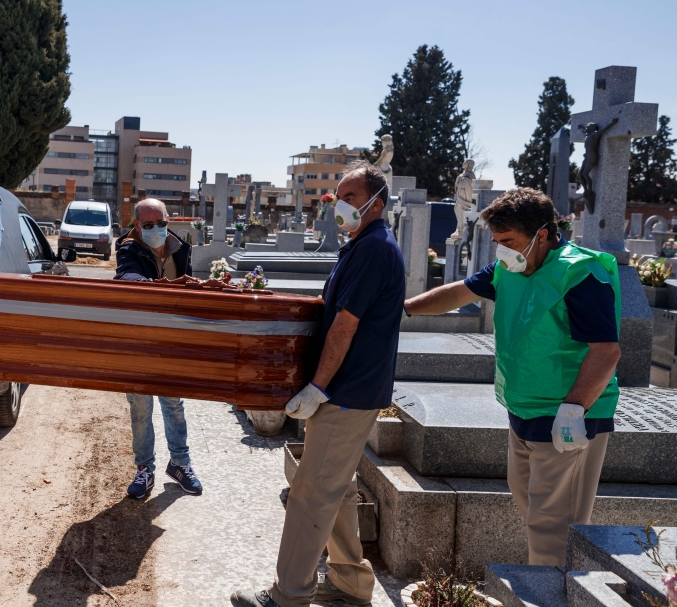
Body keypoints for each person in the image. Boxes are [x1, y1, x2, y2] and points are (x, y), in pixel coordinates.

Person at [404, 188, 621, 566]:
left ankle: (550, 591)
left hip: (567, 415)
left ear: (542, 233)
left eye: (508, 241)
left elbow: (606, 351)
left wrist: (573, 410)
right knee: (527, 500)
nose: (501, 250)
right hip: (523, 408)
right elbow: (457, 294)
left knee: (552, 524)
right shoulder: (511, 267)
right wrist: (404, 309)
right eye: (497, 242)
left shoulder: (581, 273)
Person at [231, 162, 405, 607]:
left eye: (349, 197)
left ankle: (288, 595)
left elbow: (345, 325)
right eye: (338, 197)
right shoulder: (364, 245)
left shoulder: (372, 249)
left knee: (311, 494)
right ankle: (349, 584)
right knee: (336, 488)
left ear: (376, 204)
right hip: (351, 390)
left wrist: (318, 387)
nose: (339, 205)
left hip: (345, 391)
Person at [113, 198, 202, 498]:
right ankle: (144, 469)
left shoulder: (181, 248)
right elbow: (127, 276)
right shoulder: (129, 248)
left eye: (161, 223)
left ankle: (179, 463)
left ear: (168, 219)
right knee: (141, 406)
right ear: (137, 225)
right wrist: (159, 286)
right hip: (138, 340)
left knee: (174, 403)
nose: (156, 229)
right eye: (148, 225)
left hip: (171, 339)